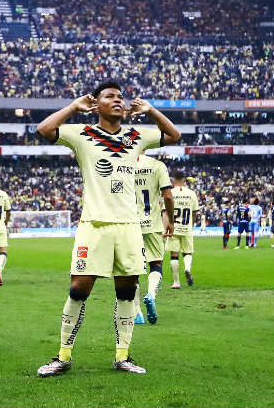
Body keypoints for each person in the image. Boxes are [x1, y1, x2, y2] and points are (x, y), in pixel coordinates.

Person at [34, 80, 180, 377]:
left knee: (127, 291)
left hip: (129, 226)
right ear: (96, 104)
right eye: (110, 96)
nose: (118, 100)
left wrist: (151, 110)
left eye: (121, 97)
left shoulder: (135, 135)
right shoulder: (82, 134)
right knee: (78, 289)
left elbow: (174, 135)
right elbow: (44, 130)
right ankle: (62, 356)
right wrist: (73, 107)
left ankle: (122, 356)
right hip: (94, 225)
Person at [133, 152, 174, 325]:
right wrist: (171, 220)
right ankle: (151, 294)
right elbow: (168, 196)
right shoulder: (157, 165)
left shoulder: (122, 164)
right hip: (153, 224)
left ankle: (137, 314)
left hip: (129, 225)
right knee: (156, 264)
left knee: (131, 271)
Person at [168, 175, 201, 289]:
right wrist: (191, 224)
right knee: (187, 253)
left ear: (173, 180)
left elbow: (165, 211)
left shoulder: (170, 193)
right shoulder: (191, 193)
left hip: (174, 227)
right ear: (184, 181)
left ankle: (176, 282)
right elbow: (195, 212)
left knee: (174, 255)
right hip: (186, 227)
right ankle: (187, 268)